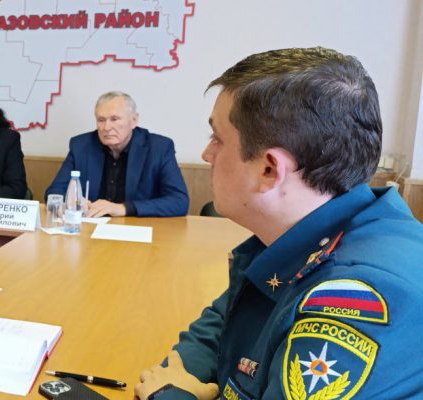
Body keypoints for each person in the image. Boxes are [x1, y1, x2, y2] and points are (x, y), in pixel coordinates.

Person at [135, 47, 423, 399]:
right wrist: (179, 379)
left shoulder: (354, 299)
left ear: (270, 169)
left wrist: (170, 394)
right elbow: (224, 321)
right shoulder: (307, 229)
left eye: (218, 139)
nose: (208, 154)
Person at [44, 92, 188, 217]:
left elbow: (179, 201)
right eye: (101, 120)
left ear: (134, 120)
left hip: (138, 231)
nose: (106, 127)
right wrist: (73, 202)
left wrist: (123, 208)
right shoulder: (81, 146)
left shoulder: (159, 148)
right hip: (90, 228)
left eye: (114, 119)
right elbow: (54, 193)